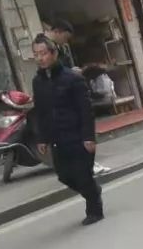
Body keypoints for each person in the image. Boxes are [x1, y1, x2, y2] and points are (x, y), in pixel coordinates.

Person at [31, 34, 102, 225]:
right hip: (57, 139)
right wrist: (42, 138)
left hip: (77, 136)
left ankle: (94, 209)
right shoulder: (38, 82)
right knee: (64, 176)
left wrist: (89, 137)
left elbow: (86, 110)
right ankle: (93, 191)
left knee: (83, 175)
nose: (40, 58)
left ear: (54, 54)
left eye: (43, 53)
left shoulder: (72, 78)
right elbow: (41, 112)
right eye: (36, 54)